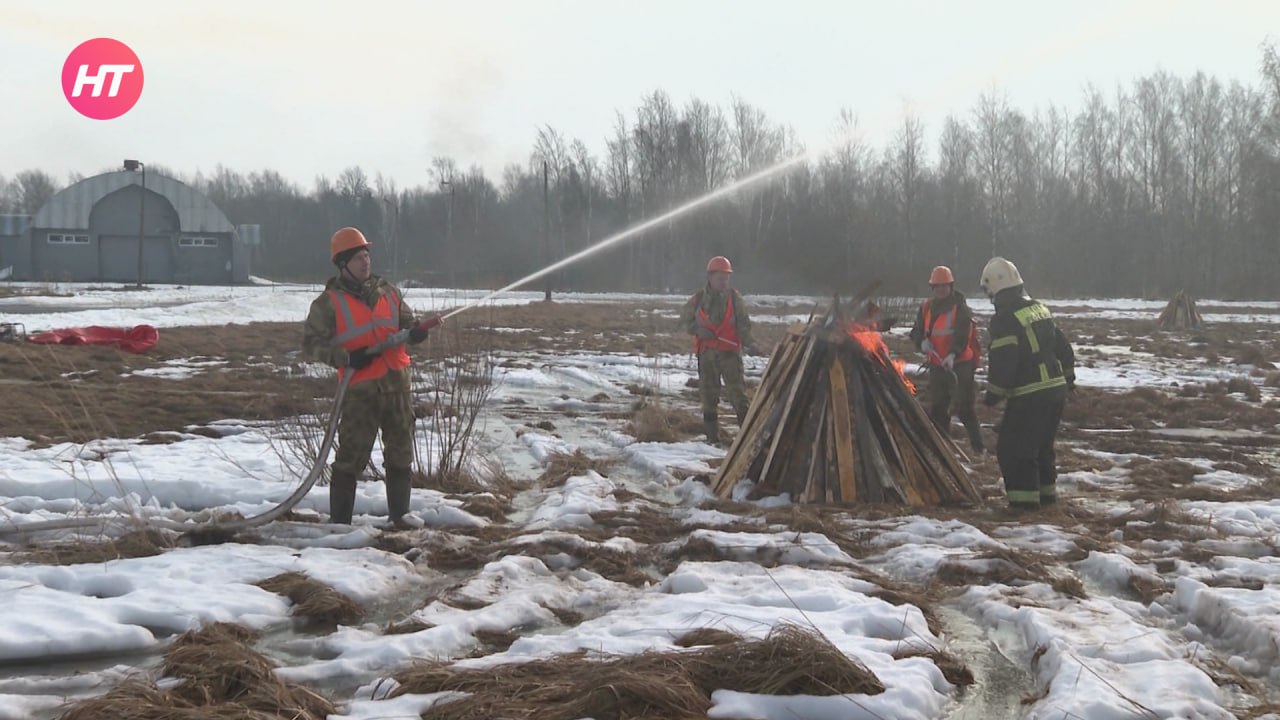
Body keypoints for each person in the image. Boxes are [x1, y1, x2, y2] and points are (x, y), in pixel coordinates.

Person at [302, 226, 441, 526]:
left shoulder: (389, 293)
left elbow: (409, 325)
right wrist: (347, 358)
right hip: (359, 392)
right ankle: (340, 526)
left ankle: (400, 519)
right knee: (350, 459)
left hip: (397, 389)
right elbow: (311, 343)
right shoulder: (328, 303)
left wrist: (417, 333)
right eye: (358, 258)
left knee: (401, 456)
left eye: (366, 255)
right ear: (343, 265)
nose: (365, 262)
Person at [980, 257, 1076, 511]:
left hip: (1031, 392)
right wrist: (1068, 378)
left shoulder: (1004, 319)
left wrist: (992, 395)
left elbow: (1004, 361)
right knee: (1041, 448)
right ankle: (1046, 500)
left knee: (1013, 450)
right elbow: (1063, 348)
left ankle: (1024, 508)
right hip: (1055, 390)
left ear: (995, 287)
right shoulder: (1039, 309)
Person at [909, 265, 986, 454]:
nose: (941, 290)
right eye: (937, 286)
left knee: (964, 406)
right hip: (937, 365)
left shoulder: (960, 308)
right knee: (938, 407)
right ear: (932, 288)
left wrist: (953, 354)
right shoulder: (926, 307)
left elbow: (962, 335)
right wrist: (922, 343)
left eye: (944, 286)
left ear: (951, 286)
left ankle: (978, 448)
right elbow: (916, 331)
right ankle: (942, 448)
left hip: (960, 364)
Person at [680, 255, 755, 445]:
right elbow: (684, 322)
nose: (724, 281)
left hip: (730, 355)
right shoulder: (697, 299)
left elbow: (744, 324)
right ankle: (712, 440)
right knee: (708, 397)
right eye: (721, 278)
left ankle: (747, 440)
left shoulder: (734, 298)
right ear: (710, 277)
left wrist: (750, 343)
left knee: (738, 396)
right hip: (707, 356)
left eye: (726, 277)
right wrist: (698, 330)